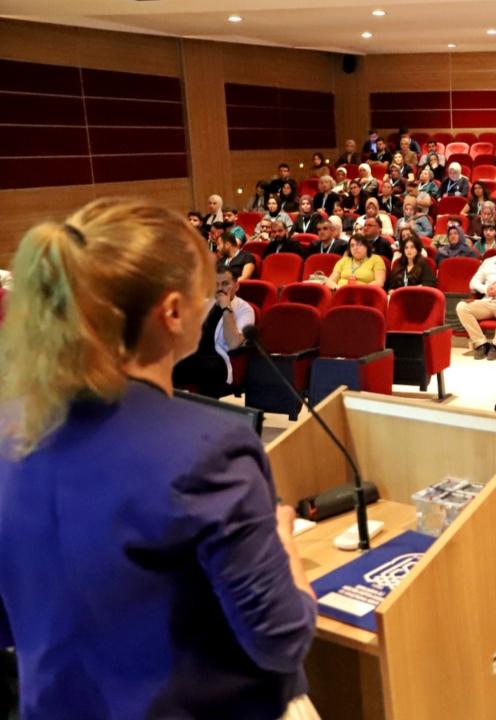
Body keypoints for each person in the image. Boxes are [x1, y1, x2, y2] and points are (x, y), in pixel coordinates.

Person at [0, 199, 316, 718]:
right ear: (172, 312)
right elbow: (281, 640)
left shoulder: (14, 427)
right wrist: (284, 548)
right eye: (202, 292)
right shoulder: (210, 448)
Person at [171, 262, 255, 398]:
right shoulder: (206, 303)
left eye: (225, 284)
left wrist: (226, 308)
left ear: (236, 286)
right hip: (197, 355)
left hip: (220, 360)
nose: (220, 289)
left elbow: (233, 343)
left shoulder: (245, 309)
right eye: (216, 285)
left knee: (205, 368)